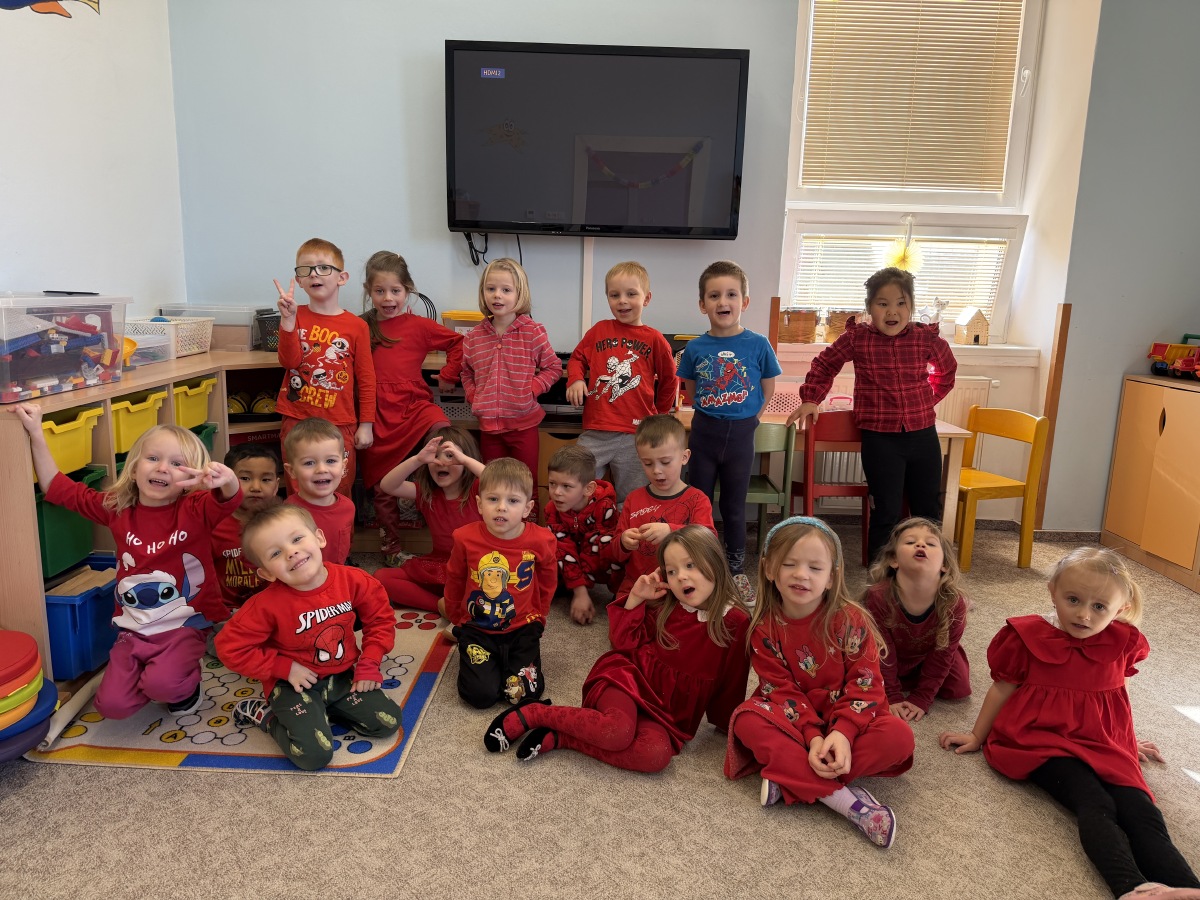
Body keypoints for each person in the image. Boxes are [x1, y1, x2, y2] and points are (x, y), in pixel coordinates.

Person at [938, 548, 1200, 900]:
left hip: (1102, 741)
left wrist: (1125, 739)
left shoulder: (1123, 641)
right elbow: (1002, 688)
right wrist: (976, 735)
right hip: (1041, 741)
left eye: (1099, 606)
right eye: (1073, 599)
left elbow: (1117, 694)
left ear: (1120, 609)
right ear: (1053, 592)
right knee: (1095, 803)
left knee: (1142, 811)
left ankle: (1189, 890)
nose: (1083, 614)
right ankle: (1131, 888)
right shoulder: (1027, 637)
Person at [12, 406, 240, 719]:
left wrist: (227, 479)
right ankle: (158, 675)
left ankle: (183, 682)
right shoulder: (118, 507)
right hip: (133, 629)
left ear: (190, 480)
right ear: (133, 469)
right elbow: (56, 487)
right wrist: (36, 432)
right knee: (111, 707)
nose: (162, 468)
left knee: (163, 686)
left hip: (184, 624)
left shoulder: (196, 507)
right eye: (153, 458)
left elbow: (229, 498)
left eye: (177, 464)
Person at [483, 525, 750, 771]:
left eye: (690, 565)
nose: (680, 577)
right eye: (671, 571)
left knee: (655, 756)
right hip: (627, 680)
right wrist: (635, 598)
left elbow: (733, 678)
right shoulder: (666, 604)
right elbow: (622, 643)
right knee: (616, 731)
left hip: (667, 713)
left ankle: (560, 738)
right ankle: (534, 712)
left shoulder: (736, 621)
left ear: (714, 561)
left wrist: (726, 721)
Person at [725, 516, 914, 850]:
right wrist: (813, 737)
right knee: (746, 720)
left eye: (815, 567)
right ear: (769, 569)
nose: (801, 574)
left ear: (831, 578)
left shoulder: (850, 619)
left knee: (899, 737)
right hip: (795, 722)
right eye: (789, 564)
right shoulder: (763, 628)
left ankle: (791, 779)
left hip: (851, 719)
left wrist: (843, 733)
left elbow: (866, 684)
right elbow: (778, 690)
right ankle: (847, 803)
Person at [786, 267, 956, 563]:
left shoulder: (925, 338)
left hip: (923, 436)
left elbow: (947, 371)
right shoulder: (858, 338)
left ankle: (930, 572)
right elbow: (825, 364)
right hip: (880, 440)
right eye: (882, 303)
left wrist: (927, 400)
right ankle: (880, 575)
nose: (892, 311)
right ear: (869, 308)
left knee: (928, 509)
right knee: (886, 510)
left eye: (901, 303)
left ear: (911, 307)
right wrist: (812, 398)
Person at [215, 504, 402, 772]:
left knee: (388, 723)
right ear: (267, 573)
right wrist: (283, 667)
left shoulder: (355, 580)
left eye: (297, 539)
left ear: (319, 538)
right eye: (276, 553)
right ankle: (266, 716)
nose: (291, 552)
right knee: (313, 756)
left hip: (341, 675)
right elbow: (228, 647)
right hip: (292, 684)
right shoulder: (264, 605)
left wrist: (370, 662)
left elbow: (380, 620)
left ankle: (323, 711)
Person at [677, 260, 781, 589]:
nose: (723, 302)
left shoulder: (758, 344)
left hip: (741, 437)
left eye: (731, 294)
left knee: (734, 507)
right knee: (699, 503)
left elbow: (767, 387)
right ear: (702, 304)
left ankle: (736, 570)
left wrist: (752, 419)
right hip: (704, 433)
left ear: (744, 302)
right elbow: (691, 389)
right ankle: (699, 563)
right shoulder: (695, 348)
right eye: (714, 295)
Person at [357, 251, 464, 564]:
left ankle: (454, 527)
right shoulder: (360, 326)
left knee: (445, 435)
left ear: (408, 290)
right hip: (375, 413)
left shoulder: (419, 325)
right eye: (380, 291)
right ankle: (391, 549)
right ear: (368, 291)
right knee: (382, 485)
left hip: (414, 406)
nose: (388, 298)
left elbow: (459, 343)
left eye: (396, 290)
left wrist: (448, 375)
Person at [444, 458, 558, 709]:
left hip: (522, 628)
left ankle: (507, 665)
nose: (501, 508)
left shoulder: (542, 540)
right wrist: (456, 616)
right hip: (477, 628)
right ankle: (488, 663)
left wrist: (541, 614)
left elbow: (548, 578)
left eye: (513, 501)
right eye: (493, 499)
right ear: (479, 504)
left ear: (527, 508)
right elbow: (455, 577)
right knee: (480, 696)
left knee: (524, 696)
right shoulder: (464, 538)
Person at [566, 261, 679, 504]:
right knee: (575, 487)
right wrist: (575, 380)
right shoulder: (599, 330)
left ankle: (627, 529)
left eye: (631, 294)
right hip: (597, 430)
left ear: (646, 298)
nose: (622, 301)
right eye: (614, 295)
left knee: (633, 498)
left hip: (636, 435)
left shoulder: (655, 339)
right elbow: (576, 359)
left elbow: (670, 379)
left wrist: (659, 417)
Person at [273, 236, 376, 498]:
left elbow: (366, 379)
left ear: (342, 277)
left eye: (323, 268)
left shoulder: (357, 326)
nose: (314, 274)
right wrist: (288, 321)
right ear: (299, 281)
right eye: (305, 269)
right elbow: (289, 362)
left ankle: (339, 528)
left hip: (339, 422)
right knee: (299, 489)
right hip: (297, 419)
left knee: (339, 489)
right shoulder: (294, 315)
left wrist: (366, 424)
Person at [461, 257, 561, 506]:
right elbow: (466, 373)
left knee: (526, 484)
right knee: (493, 484)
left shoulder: (532, 331)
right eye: (491, 288)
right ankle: (497, 527)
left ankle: (530, 527)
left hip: (523, 425)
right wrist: (474, 396)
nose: (497, 295)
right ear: (483, 292)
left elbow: (553, 367)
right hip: (489, 428)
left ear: (519, 294)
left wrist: (531, 390)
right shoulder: (473, 337)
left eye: (506, 290)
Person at [862, 517, 970, 722]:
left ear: (945, 565)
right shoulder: (878, 597)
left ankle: (914, 678)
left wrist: (922, 697)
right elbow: (881, 650)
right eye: (910, 542)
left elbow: (943, 654)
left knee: (958, 687)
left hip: (930, 653)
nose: (921, 545)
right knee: (859, 679)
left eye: (930, 544)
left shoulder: (953, 604)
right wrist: (891, 694)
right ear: (894, 560)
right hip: (886, 653)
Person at [373, 426, 484, 613]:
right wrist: (418, 459)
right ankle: (444, 606)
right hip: (440, 566)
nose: (441, 462)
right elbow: (387, 485)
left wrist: (465, 460)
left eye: (450, 456)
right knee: (381, 578)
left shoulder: (477, 490)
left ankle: (456, 601)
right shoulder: (427, 494)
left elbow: (497, 480)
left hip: (475, 568)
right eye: (435, 456)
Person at [611, 415, 715, 602]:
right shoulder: (633, 499)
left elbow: (709, 542)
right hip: (639, 585)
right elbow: (615, 554)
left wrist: (671, 531)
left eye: (665, 462)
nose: (656, 470)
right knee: (621, 617)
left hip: (683, 587)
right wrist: (623, 543)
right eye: (648, 463)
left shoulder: (698, 499)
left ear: (684, 457)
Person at [544, 444, 621, 626]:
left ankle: (620, 592)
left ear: (588, 489)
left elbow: (596, 549)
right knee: (546, 543)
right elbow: (562, 548)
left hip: (596, 560)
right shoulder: (552, 509)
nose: (556, 492)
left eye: (566, 486)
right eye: (552, 484)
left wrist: (581, 591)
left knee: (610, 543)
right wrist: (579, 590)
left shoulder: (604, 507)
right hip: (571, 558)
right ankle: (564, 585)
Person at [211, 444, 282, 611]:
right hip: (227, 612)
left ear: (276, 486)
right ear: (225, 482)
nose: (256, 487)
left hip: (273, 608)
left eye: (266, 480)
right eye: (245, 478)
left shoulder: (283, 523)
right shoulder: (213, 524)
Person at [283, 417, 355, 566]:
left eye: (330, 461)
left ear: (343, 467)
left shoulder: (348, 507)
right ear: (292, 471)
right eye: (309, 463)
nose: (321, 469)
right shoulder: (286, 514)